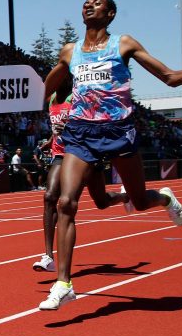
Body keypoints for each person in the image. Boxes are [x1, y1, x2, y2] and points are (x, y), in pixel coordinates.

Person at [39, 0, 182, 310]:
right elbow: (45, 89)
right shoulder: (70, 52)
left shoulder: (124, 44)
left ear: (110, 13)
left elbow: (169, 78)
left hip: (118, 134)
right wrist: (40, 85)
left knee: (140, 201)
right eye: (86, 3)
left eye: (97, 3)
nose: (89, 6)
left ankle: (165, 198)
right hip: (80, 134)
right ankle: (64, 283)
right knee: (65, 202)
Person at [33, 79, 129, 272]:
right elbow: (57, 123)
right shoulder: (51, 98)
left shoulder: (78, 97)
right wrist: (51, 139)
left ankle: (126, 196)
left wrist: (67, 129)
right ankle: (48, 256)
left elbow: (90, 123)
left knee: (101, 202)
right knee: (50, 196)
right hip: (60, 153)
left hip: (81, 153)